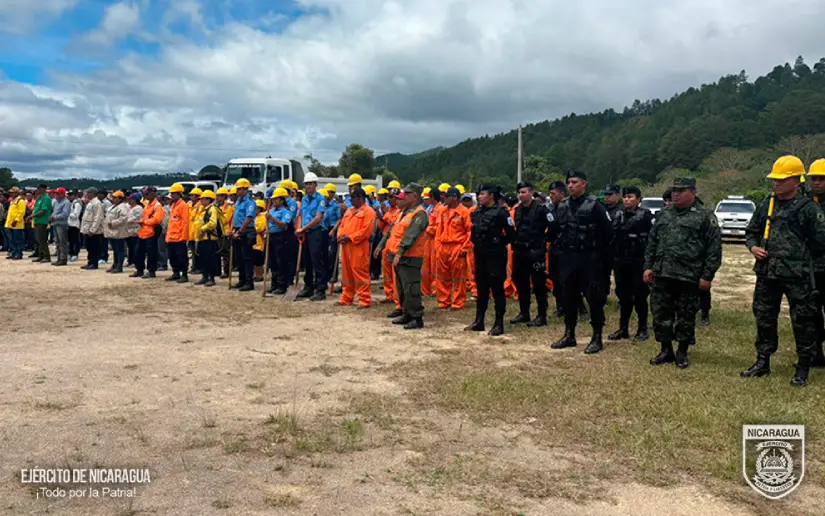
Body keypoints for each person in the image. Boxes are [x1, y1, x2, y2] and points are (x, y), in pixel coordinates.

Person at [742, 156, 825, 386]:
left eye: (781, 180)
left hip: (798, 275)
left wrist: (799, 258)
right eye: (774, 180)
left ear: (796, 181)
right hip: (768, 273)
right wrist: (753, 247)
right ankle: (762, 361)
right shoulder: (767, 204)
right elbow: (751, 232)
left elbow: (820, 242)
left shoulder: (809, 208)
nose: (776, 184)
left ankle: (804, 366)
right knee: (764, 316)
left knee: (803, 320)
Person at [644, 177, 722, 369]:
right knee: (660, 313)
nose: (676, 194)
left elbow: (714, 249)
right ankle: (666, 350)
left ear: (693, 192)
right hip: (662, 273)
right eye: (674, 191)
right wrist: (648, 266)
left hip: (688, 275)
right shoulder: (664, 214)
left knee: (685, 315)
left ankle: (682, 351)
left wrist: (707, 276)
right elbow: (652, 242)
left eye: (681, 191)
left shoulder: (704, 216)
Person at [549, 170, 614, 354]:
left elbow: (608, 234)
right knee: (568, 297)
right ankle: (569, 334)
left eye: (575, 182)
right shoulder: (562, 206)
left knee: (594, 298)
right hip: (568, 258)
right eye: (569, 182)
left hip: (590, 259)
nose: (570, 185)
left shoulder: (595, 206)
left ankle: (597, 337)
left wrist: (603, 261)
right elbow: (556, 231)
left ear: (584, 184)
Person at [465, 184, 515, 335]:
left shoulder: (501, 212)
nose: (479, 197)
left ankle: (499, 323)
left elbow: (511, 234)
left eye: (482, 194)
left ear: (491, 196)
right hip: (480, 253)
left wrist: (498, 243)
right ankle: (479, 320)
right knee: (481, 287)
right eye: (479, 194)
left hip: (495, 254)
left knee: (497, 288)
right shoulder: (477, 211)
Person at [379, 183, 429, 329]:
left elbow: (411, 235)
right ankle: (407, 313)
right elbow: (392, 230)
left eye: (407, 194)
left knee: (411, 287)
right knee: (401, 287)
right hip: (399, 255)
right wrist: (382, 245)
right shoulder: (404, 212)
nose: (403, 196)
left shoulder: (419, 214)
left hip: (410, 256)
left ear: (415, 196)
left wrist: (400, 251)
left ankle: (416, 317)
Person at [608, 186, 653, 341]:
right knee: (623, 296)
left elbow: (652, 239)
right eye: (625, 197)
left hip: (638, 261)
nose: (627, 200)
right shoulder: (618, 214)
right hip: (621, 261)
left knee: (640, 296)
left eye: (630, 197)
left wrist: (649, 264)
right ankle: (623, 329)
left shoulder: (645, 215)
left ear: (638, 199)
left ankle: (642, 328)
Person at [510, 182, 551, 327]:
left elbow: (553, 227)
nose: (521, 195)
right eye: (519, 193)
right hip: (520, 251)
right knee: (520, 282)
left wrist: (543, 241)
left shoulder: (541, 209)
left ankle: (541, 316)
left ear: (531, 192)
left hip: (535, 251)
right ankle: (524, 313)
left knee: (539, 284)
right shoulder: (517, 210)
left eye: (524, 192)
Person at [434, 187, 473, 310]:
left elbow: (469, 232)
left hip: (457, 246)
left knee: (458, 276)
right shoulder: (442, 211)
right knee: (442, 276)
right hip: (443, 246)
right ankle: (443, 301)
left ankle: (457, 302)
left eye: (447, 196)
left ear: (455, 197)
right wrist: (437, 247)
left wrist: (464, 248)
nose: (444, 198)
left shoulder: (464, 212)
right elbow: (438, 230)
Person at [338, 187, 377, 307]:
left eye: (353, 198)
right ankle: (346, 298)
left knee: (360, 272)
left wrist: (350, 237)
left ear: (361, 198)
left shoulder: (369, 212)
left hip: (359, 246)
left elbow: (366, 230)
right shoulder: (349, 211)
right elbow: (342, 225)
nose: (351, 200)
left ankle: (364, 300)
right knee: (346, 273)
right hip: (346, 246)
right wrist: (340, 236)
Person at [295, 172, 328, 301]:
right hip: (305, 232)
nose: (308, 186)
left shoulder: (320, 199)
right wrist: (299, 229)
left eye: (310, 184)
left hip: (316, 231)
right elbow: (300, 215)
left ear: (315, 185)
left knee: (317, 260)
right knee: (307, 260)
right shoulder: (304, 199)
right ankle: (308, 287)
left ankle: (320, 289)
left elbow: (318, 218)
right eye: (306, 184)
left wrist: (303, 228)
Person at [806, 158, 825, 368]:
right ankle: (816, 352)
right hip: (812, 269)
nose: (817, 183)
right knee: (812, 312)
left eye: (821, 179)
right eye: (814, 179)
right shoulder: (806, 203)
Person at [266, 188, 295, 294]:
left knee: (281, 261)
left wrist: (272, 219)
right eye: (273, 199)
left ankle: (282, 285)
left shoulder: (286, 212)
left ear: (282, 200)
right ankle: (274, 284)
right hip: (271, 236)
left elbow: (283, 225)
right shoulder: (271, 211)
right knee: (272, 262)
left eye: (276, 199)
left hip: (281, 237)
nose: (274, 201)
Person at [375, 189, 402, 307]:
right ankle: (389, 294)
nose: (389, 200)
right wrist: (380, 214)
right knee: (386, 270)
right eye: (389, 197)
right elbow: (382, 225)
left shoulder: (400, 211)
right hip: (386, 242)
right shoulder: (388, 210)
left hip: (395, 243)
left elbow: (393, 223)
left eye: (392, 197)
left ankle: (397, 295)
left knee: (394, 271)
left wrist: (385, 215)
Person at [231, 179, 257, 292]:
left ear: (246, 189)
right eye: (237, 189)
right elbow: (235, 216)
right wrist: (232, 229)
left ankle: (248, 282)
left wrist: (240, 231)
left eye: (240, 189)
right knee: (238, 258)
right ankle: (241, 280)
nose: (238, 191)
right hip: (237, 230)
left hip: (246, 231)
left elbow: (249, 218)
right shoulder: (238, 201)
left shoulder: (250, 202)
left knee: (247, 258)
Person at [133, 187, 164, 279]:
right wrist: (142, 221)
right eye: (144, 194)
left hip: (151, 232)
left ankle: (151, 271)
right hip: (143, 232)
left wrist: (144, 222)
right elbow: (145, 216)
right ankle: (139, 270)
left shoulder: (157, 206)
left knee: (151, 253)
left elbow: (157, 219)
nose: (145, 196)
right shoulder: (147, 204)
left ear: (152, 194)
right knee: (139, 252)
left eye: (147, 194)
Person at [547, 181, 567, 317]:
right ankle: (560, 306)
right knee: (555, 278)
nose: (551, 196)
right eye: (550, 193)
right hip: (554, 247)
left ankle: (580, 308)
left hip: (566, 248)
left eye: (553, 193)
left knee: (569, 280)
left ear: (562, 194)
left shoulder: (568, 207)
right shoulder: (550, 208)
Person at [195, 189, 221, 287]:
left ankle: (211, 278)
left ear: (209, 199)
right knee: (203, 259)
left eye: (203, 199)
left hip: (209, 238)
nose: (201, 200)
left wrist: (203, 229)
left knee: (210, 259)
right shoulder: (202, 209)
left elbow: (213, 223)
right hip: (202, 238)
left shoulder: (212, 209)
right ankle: (204, 276)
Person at [166, 183, 190, 283]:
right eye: (171, 193)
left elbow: (185, 222)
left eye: (174, 193)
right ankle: (176, 273)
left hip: (179, 237)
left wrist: (184, 237)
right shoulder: (173, 205)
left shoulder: (183, 205)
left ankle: (184, 274)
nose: (172, 195)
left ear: (179, 194)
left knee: (181, 257)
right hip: (171, 236)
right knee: (172, 256)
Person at [103, 191, 129, 273]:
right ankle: (115, 264)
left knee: (120, 250)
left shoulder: (123, 207)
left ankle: (119, 266)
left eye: (115, 197)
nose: (113, 199)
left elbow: (124, 218)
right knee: (115, 250)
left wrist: (113, 223)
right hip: (112, 231)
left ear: (120, 198)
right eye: (113, 197)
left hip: (119, 231)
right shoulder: (113, 206)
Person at [80, 187, 105, 270]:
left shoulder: (97, 203)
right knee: (89, 247)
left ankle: (94, 263)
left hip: (93, 231)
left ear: (93, 193)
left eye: (89, 193)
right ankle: (90, 262)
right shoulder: (90, 202)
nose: (87, 194)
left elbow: (98, 217)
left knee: (94, 247)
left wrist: (93, 230)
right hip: (87, 229)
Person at [322, 184, 342, 285]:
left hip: (333, 229)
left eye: (330, 192)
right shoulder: (323, 204)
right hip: (324, 229)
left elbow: (339, 219)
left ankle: (333, 275)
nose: (328, 194)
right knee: (325, 253)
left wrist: (334, 230)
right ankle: (325, 274)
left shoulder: (335, 206)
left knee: (332, 253)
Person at [47, 187, 70, 266]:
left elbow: (65, 214)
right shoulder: (56, 202)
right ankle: (59, 258)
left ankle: (63, 259)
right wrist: (51, 216)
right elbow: (54, 211)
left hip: (61, 224)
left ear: (62, 194)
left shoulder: (66, 202)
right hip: (55, 223)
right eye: (55, 193)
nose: (56, 195)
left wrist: (54, 217)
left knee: (62, 241)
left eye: (57, 193)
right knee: (57, 241)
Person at [30, 184, 53, 263]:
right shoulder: (40, 197)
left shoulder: (46, 198)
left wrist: (32, 216)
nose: (37, 190)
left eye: (39, 188)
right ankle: (41, 255)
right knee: (38, 240)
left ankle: (46, 257)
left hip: (42, 221)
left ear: (43, 189)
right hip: (37, 221)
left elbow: (44, 211)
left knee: (42, 240)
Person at [5, 187, 26, 260]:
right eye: (10, 193)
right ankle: (14, 252)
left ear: (17, 193)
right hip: (10, 224)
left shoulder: (20, 201)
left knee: (18, 240)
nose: (10, 194)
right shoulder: (13, 201)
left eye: (12, 192)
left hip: (17, 224)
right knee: (12, 240)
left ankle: (18, 253)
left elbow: (21, 212)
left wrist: (16, 221)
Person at [216, 187, 232, 279]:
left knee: (226, 253)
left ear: (224, 197)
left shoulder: (228, 207)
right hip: (217, 232)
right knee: (218, 252)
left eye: (219, 196)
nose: (217, 198)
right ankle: (218, 271)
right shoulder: (216, 206)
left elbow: (226, 219)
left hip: (225, 232)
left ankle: (226, 271)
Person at [125, 193, 144, 268]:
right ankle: (130, 261)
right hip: (128, 230)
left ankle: (135, 262)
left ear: (135, 200)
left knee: (135, 247)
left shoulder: (139, 208)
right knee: (130, 247)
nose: (129, 201)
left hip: (135, 230)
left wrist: (125, 220)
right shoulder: (129, 207)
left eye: (131, 199)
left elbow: (135, 218)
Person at [188, 188, 203, 275]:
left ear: (198, 197)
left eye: (192, 195)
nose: (190, 197)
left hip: (197, 233)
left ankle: (199, 268)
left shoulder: (200, 206)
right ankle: (194, 267)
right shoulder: (190, 205)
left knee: (198, 252)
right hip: (191, 232)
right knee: (193, 252)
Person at [252, 200, 267, 283]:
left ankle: (259, 275)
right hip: (253, 241)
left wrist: (252, 227)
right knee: (254, 259)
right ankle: (256, 274)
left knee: (258, 260)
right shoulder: (254, 217)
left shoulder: (262, 217)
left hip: (259, 242)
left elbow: (259, 228)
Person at [67, 190, 83, 261]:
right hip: (69, 223)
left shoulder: (77, 204)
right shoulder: (71, 203)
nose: (69, 196)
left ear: (75, 195)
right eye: (69, 195)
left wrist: (68, 214)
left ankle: (75, 254)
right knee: (70, 240)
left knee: (75, 240)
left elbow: (76, 215)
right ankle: (70, 253)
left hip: (75, 224)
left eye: (71, 195)